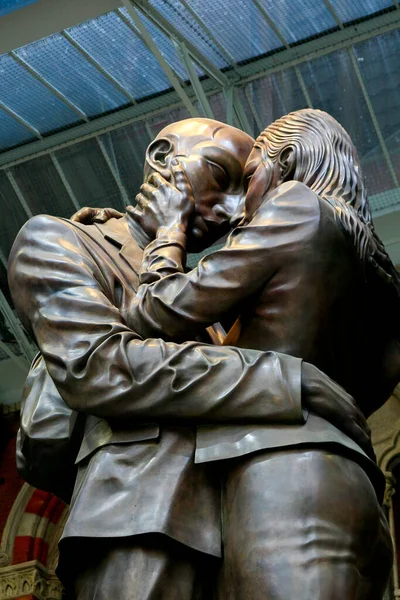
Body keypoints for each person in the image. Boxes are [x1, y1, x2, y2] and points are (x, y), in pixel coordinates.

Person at [9, 117, 374, 600]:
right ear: (162, 159)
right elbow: (99, 367)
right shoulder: (60, 241)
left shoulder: (212, 296)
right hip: (140, 522)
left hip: (248, 519)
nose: (230, 212)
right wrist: (286, 381)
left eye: (243, 194)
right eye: (222, 178)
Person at [123, 109, 399, 599]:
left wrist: (169, 234)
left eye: (249, 177)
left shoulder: (295, 203)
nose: (242, 208)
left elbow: (155, 312)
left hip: (282, 480)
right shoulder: (380, 271)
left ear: (286, 160)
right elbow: (375, 384)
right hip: (354, 485)